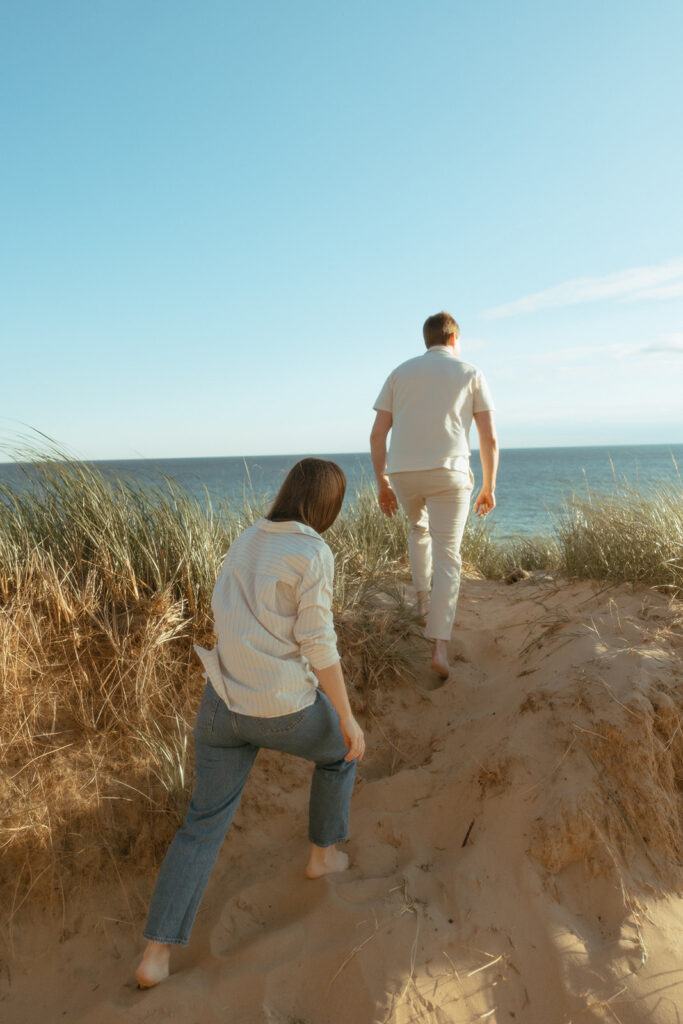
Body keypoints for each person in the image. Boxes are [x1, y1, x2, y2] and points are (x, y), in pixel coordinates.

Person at [135, 458, 365, 989]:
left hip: (221, 702)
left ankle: (155, 955)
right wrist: (348, 718)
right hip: (281, 707)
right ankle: (322, 857)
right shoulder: (312, 550)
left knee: (201, 825)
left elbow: (222, 608)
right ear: (327, 504)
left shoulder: (245, 538)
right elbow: (318, 641)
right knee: (340, 752)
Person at [370, 311, 499, 679]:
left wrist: (383, 484)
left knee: (418, 529)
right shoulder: (470, 372)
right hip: (449, 472)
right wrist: (488, 486)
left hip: (404, 473)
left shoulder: (400, 372)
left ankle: (422, 604)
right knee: (449, 556)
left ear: (426, 340)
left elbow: (377, 435)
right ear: (454, 338)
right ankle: (439, 646)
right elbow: (489, 437)